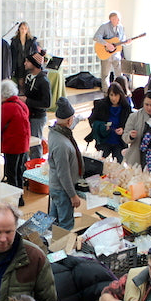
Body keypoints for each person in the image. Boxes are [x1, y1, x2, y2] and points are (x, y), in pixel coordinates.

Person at [48, 97, 83, 230]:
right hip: (62, 189)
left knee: (53, 221)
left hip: (55, 186)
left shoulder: (55, 132)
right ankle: (62, 248)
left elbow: (69, 127)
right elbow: (63, 173)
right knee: (65, 225)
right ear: (69, 120)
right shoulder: (62, 144)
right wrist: (73, 195)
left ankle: (51, 246)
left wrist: (79, 118)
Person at [0, 79, 30, 200]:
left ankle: (14, 199)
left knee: (11, 174)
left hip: (12, 145)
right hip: (24, 144)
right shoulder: (21, 104)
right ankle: (20, 198)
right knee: (19, 172)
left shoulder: (6, 107)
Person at [86, 83, 131, 163]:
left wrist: (123, 129)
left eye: (116, 95)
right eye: (111, 95)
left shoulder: (126, 107)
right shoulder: (101, 105)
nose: (113, 98)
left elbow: (130, 123)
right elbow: (92, 120)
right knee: (100, 164)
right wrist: (101, 127)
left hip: (119, 142)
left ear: (120, 95)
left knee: (118, 166)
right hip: (104, 141)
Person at [123, 91, 151, 168]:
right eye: (146, 104)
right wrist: (130, 136)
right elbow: (125, 136)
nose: (149, 108)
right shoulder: (134, 116)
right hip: (138, 159)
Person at [22, 52, 51, 159]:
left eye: (28, 61)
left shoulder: (44, 81)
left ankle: (36, 167)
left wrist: (27, 101)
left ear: (34, 64)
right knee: (26, 142)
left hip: (37, 117)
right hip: (29, 115)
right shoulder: (29, 77)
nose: (25, 63)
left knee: (35, 144)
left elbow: (47, 104)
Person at [93, 11, 132, 84]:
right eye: (116, 19)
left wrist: (126, 42)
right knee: (105, 75)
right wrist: (107, 44)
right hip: (106, 53)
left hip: (116, 53)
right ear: (111, 19)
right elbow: (96, 37)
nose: (118, 21)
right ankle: (106, 92)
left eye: (119, 19)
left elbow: (122, 40)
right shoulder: (104, 26)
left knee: (119, 74)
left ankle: (119, 90)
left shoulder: (121, 27)